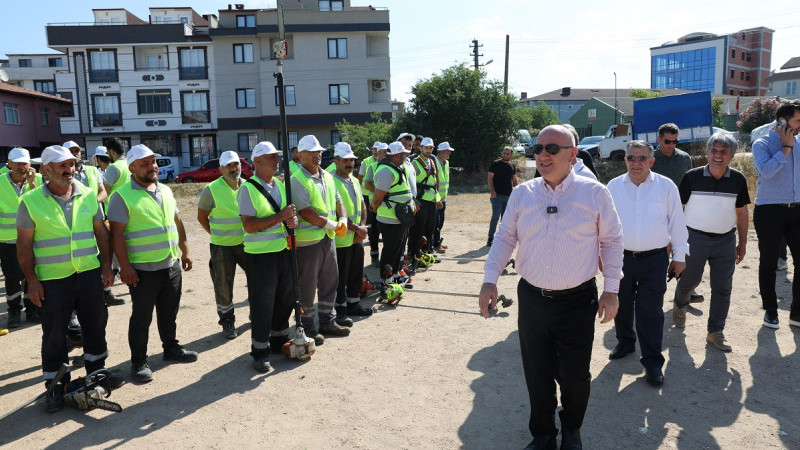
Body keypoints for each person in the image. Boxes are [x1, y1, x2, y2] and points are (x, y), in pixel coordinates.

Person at [479, 125, 623, 450]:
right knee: (538, 374)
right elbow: (505, 238)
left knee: (574, 376)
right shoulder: (522, 194)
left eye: (552, 148)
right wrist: (490, 279)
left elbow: (612, 241)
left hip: (576, 301)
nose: (543, 154)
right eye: (539, 148)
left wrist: (611, 289)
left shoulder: (595, 193)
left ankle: (571, 429)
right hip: (532, 300)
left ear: (572, 155)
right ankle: (543, 436)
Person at [16, 145, 121, 412]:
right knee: (54, 335)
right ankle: (56, 388)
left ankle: (97, 375)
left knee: (95, 326)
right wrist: (32, 281)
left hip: (87, 275)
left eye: (72, 165)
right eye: (62, 166)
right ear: (46, 170)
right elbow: (24, 246)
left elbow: (102, 233)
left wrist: (106, 266)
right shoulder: (30, 201)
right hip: (53, 280)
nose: (69, 169)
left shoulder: (88, 196)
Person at [108, 144, 197, 383]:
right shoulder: (121, 196)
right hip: (142, 271)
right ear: (132, 168)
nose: (153, 167)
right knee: (142, 317)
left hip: (170, 265)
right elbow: (116, 235)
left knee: (169, 312)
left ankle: (171, 348)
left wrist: (185, 250)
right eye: (145, 164)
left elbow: (177, 222)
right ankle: (138, 361)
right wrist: (125, 267)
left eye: (154, 162)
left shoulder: (166, 191)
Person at [606, 140, 688, 387]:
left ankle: (652, 361)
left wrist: (680, 256)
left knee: (650, 311)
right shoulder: (613, 187)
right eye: (631, 158)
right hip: (620, 257)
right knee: (620, 303)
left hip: (655, 259)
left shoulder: (666, 186)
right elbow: (604, 224)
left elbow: (677, 222)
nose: (636, 163)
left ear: (651, 161)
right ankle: (625, 341)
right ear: (625, 160)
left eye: (642, 158)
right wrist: (602, 256)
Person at [671, 133, 750, 352]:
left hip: (725, 240)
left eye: (723, 152)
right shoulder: (691, 177)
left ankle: (715, 332)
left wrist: (742, 243)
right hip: (693, 238)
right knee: (689, 280)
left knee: (723, 288)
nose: (718, 155)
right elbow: (677, 211)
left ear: (731, 156)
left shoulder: (738, 179)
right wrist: (674, 241)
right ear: (707, 153)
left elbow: (742, 212)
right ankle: (680, 303)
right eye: (714, 150)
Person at [237, 141, 298, 372]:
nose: (277, 160)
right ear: (257, 161)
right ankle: (260, 351)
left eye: (277, 157)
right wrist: (281, 216)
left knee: (285, 297)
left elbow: (288, 215)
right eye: (272, 157)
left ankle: (279, 339)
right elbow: (249, 225)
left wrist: (293, 220)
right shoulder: (248, 189)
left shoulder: (280, 185)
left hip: (283, 250)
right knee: (263, 303)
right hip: (261, 256)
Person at [290, 135, 351, 342]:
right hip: (309, 242)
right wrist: (332, 224)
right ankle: (308, 327)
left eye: (320, 152)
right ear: (301, 155)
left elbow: (338, 200)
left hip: (328, 238)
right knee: (307, 286)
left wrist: (342, 218)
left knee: (329, 281)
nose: (317, 155)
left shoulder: (327, 176)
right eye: (312, 152)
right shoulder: (296, 179)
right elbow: (305, 211)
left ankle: (327, 321)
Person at [752, 99, 800, 328]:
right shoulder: (761, 144)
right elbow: (767, 171)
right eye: (798, 121)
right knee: (769, 262)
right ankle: (771, 310)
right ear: (783, 121)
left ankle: (797, 313)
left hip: (797, 210)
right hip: (769, 211)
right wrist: (786, 147)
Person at [63, 141, 123, 307]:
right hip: (76, 222)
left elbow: (103, 191)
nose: (76, 154)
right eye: (71, 151)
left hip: (95, 218)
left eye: (77, 151)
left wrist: (92, 203)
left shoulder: (92, 170)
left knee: (103, 255)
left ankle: (106, 292)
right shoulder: (64, 173)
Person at [651, 122, 704, 304]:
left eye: (675, 141)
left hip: (681, 211)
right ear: (659, 140)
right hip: (656, 212)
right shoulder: (649, 159)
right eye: (667, 141)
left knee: (683, 249)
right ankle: (652, 290)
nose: (671, 145)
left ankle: (687, 291)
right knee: (659, 252)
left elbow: (690, 184)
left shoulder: (684, 158)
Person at [197, 151, 247, 339]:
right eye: (229, 166)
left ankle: (257, 313)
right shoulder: (211, 189)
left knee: (258, 278)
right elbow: (202, 217)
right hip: (222, 247)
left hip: (247, 244)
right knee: (223, 285)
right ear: (220, 169)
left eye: (236, 165)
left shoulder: (247, 186)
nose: (233, 169)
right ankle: (227, 321)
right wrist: (216, 234)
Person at [330, 142, 373, 326]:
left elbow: (362, 205)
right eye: (345, 160)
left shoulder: (354, 180)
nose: (350, 163)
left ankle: (353, 303)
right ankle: (340, 309)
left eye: (351, 160)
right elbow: (337, 213)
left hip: (356, 237)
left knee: (356, 273)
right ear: (336, 161)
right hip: (341, 239)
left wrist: (362, 227)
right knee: (340, 277)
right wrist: (358, 229)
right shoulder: (330, 181)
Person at [0, 147, 42, 328]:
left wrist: (33, 186)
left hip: (33, 239)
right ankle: (14, 311)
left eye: (25, 163)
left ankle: (32, 309)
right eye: (17, 163)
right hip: (8, 240)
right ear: (9, 164)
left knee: (31, 274)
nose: (22, 166)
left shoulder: (39, 181)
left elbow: (43, 205)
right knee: (11, 277)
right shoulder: (0, 182)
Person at [371, 142, 414, 281]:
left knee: (398, 249)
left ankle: (394, 274)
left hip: (399, 218)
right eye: (402, 155)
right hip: (389, 219)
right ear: (395, 156)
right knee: (390, 251)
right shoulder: (386, 171)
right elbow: (377, 198)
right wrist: (374, 208)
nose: (404, 157)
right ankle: (386, 279)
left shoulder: (395, 168)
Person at [408, 137, 440, 264]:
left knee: (430, 228)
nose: (429, 150)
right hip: (420, 201)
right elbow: (411, 184)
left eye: (431, 148)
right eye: (426, 148)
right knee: (418, 229)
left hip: (431, 200)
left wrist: (437, 199)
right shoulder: (415, 163)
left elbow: (434, 183)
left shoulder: (432, 161)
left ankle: (427, 253)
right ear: (420, 148)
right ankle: (415, 254)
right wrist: (414, 201)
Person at [487, 146, 517, 247]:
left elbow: (514, 180)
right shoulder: (495, 164)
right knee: (495, 217)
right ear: (502, 153)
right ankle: (490, 238)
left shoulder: (512, 165)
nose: (505, 155)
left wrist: (517, 192)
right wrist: (492, 191)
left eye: (508, 154)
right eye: (504, 153)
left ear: (511, 155)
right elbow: (490, 178)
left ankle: (502, 238)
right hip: (497, 195)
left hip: (508, 196)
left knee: (505, 219)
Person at [363, 142, 388, 265]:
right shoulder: (372, 166)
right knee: (374, 231)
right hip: (375, 205)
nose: (386, 154)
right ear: (378, 153)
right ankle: (374, 257)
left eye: (388, 151)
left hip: (387, 207)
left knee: (387, 232)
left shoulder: (392, 166)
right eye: (384, 152)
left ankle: (386, 259)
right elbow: (367, 184)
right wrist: (379, 193)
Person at [433, 142, 453, 253]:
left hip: (443, 198)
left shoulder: (446, 163)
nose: (449, 153)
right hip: (436, 199)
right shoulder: (434, 162)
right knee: (436, 222)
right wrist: (437, 198)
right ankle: (435, 244)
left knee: (440, 222)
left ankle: (437, 242)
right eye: (447, 151)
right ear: (441, 151)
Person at [101, 138, 131, 203]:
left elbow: (104, 191)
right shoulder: (130, 164)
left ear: (112, 152)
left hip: (115, 207)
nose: (108, 156)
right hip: (130, 205)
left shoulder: (113, 167)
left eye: (108, 153)